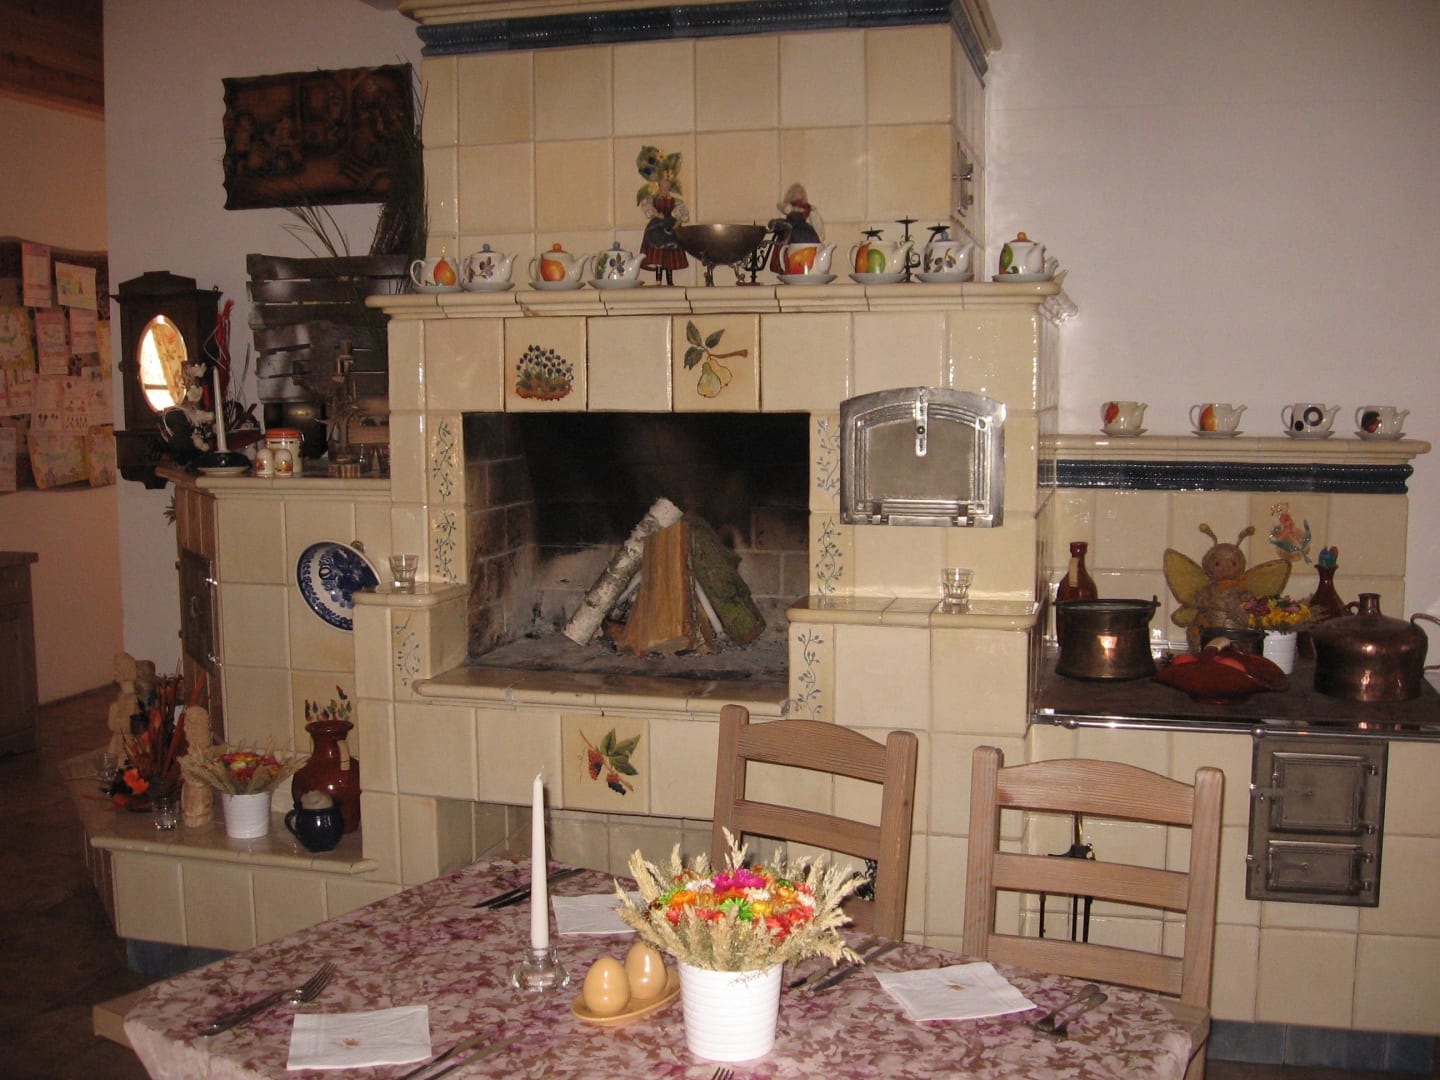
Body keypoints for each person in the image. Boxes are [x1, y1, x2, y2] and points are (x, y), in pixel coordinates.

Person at [636, 146, 689, 285]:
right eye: (662, 185)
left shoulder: (675, 201)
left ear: (670, 186)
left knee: (669, 257)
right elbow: (647, 208)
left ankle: (670, 281)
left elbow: (682, 214)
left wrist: (677, 223)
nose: (664, 187)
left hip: (670, 227)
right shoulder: (652, 200)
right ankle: (658, 281)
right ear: (659, 185)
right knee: (658, 257)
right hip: (658, 228)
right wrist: (656, 214)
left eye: (667, 185)